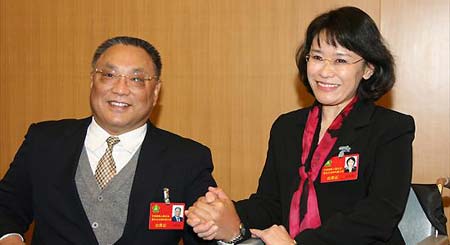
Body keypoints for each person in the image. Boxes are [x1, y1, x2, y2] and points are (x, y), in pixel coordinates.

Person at [186, 6, 415, 245]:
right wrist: (224, 213)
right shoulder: (287, 127)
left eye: (340, 60)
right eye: (317, 57)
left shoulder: (391, 129)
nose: (325, 71)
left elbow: (378, 216)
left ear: (368, 69)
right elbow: (270, 204)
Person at [0, 36, 216, 244]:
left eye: (136, 79)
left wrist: (226, 231)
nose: (120, 89)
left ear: (156, 91)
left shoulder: (187, 159)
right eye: (109, 75)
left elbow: (210, 231)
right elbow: (6, 207)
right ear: (92, 80)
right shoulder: (44, 142)